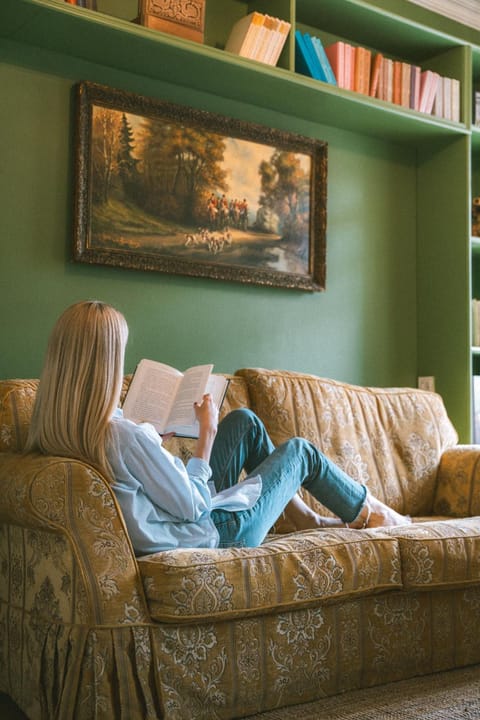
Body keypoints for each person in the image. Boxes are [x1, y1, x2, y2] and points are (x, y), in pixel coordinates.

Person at [25, 300, 410, 556]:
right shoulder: (121, 436)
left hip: (181, 515)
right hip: (216, 529)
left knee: (244, 423)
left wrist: (153, 445)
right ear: (106, 364)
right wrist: (205, 437)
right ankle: (371, 512)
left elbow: (140, 484)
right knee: (301, 452)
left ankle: (303, 518)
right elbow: (193, 507)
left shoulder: (56, 429)